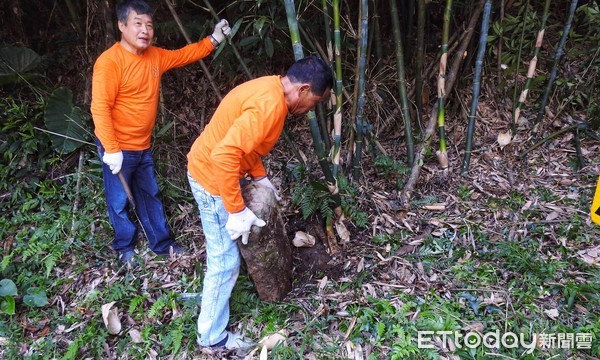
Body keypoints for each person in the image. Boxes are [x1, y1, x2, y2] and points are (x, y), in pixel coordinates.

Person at [187, 56, 333, 349]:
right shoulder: (269, 107)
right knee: (224, 261)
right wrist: (236, 210)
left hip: (212, 170)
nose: (309, 110)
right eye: (314, 102)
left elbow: (246, 146)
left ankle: (211, 302)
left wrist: (259, 176)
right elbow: (225, 155)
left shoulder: (270, 88)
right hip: (211, 178)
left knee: (223, 253)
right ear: (303, 90)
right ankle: (211, 337)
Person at [91, 0, 231, 266]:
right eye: (137, 24)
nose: (145, 30)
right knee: (119, 200)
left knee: (148, 194)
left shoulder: (154, 56)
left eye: (149, 25)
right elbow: (99, 108)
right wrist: (111, 148)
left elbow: (184, 55)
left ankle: (162, 244)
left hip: (142, 145)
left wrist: (213, 39)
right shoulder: (109, 62)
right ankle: (125, 248)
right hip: (117, 146)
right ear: (122, 26)